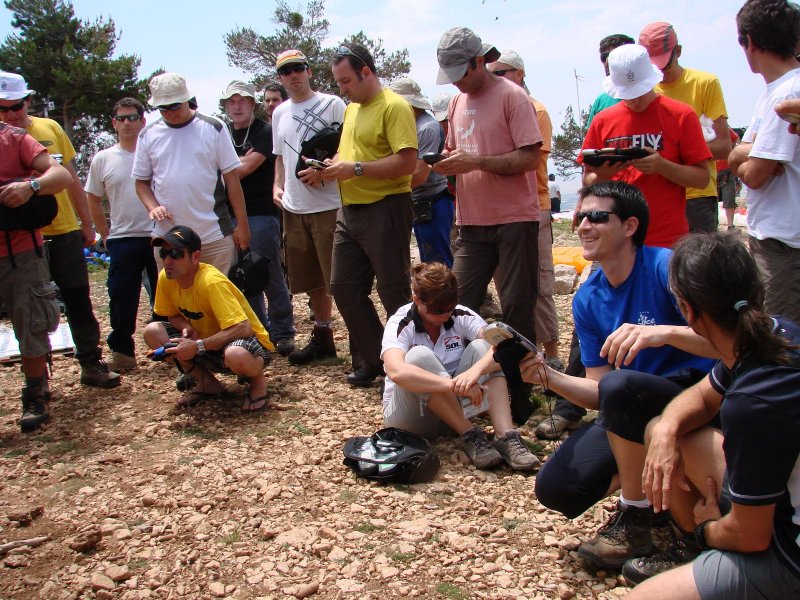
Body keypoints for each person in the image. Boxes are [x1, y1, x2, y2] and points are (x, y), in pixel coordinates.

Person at [520, 181, 715, 570]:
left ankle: (635, 514)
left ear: (630, 226)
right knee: (557, 488)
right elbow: (598, 389)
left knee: (621, 385)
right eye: (580, 216)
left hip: (699, 396)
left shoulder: (666, 268)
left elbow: (727, 343)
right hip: (631, 405)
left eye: (596, 216)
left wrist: (663, 333)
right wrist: (549, 378)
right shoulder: (587, 297)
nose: (583, 225)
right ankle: (653, 493)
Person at [623, 232, 800, 599]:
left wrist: (708, 528)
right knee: (660, 428)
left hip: (787, 554)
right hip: (780, 502)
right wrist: (667, 430)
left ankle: (703, 551)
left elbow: (751, 536)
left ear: (688, 311)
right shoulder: (777, 334)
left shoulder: (751, 402)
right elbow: (703, 397)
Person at [0, 72, 121, 388]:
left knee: (78, 297)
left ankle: (91, 362)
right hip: (22, 241)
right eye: (3, 109)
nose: (11, 114)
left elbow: (71, 178)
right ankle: (39, 380)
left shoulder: (49, 129)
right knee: (32, 307)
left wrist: (86, 223)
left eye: (16, 106)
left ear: (28, 101)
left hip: (63, 229)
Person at [433, 27, 542, 347]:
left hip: (514, 219)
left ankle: (522, 375)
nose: (456, 82)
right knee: (456, 302)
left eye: (460, 73)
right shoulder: (456, 102)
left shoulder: (513, 96)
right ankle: (466, 368)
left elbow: (530, 157)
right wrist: (444, 162)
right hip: (471, 220)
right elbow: (454, 150)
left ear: (479, 61)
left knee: (517, 304)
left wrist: (477, 162)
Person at [321, 44, 418, 387]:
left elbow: (407, 162)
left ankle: (411, 367)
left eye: (346, 81)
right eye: (338, 82)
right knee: (344, 288)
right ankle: (379, 359)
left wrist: (356, 169)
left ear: (366, 71)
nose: (342, 89)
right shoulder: (351, 110)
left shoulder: (394, 106)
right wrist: (330, 166)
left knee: (392, 290)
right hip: (349, 209)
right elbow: (348, 154)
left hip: (386, 206)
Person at [381, 262, 539, 471]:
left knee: (486, 347)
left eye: (450, 308)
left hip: (453, 412)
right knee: (419, 356)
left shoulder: (461, 315)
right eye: (437, 311)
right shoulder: (401, 322)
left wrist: (475, 372)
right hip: (412, 419)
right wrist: (454, 385)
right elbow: (396, 371)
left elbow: (507, 345)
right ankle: (470, 434)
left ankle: (506, 436)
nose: (445, 315)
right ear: (416, 300)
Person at [579, 44, 711, 248]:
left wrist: (662, 166)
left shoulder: (681, 115)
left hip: (667, 241)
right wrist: (603, 175)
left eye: (640, 91)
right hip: (615, 241)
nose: (635, 99)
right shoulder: (602, 121)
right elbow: (587, 179)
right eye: (628, 93)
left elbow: (702, 178)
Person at [142, 226, 275, 412]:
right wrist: (185, 327)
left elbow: (243, 328)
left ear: (196, 256)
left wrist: (197, 346)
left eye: (176, 254)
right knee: (152, 332)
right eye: (163, 253)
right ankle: (208, 384)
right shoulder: (166, 277)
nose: (168, 260)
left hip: (244, 344)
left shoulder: (211, 282)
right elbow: (171, 314)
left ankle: (258, 383)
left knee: (236, 355)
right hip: (206, 343)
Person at [133, 72, 249, 276]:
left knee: (217, 294)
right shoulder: (147, 135)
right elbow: (141, 183)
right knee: (174, 296)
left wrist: (242, 226)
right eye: (163, 108)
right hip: (168, 237)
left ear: (187, 99)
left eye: (175, 105)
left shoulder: (213, 127)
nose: (170, 112)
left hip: (214, 235)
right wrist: (153, 207)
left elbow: (232, 179)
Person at [271, 49, 345, 366]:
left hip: (329, 203)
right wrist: (277, 185)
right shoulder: (279, 113)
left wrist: (324, 172)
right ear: (280, 78)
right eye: (286, 71)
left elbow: (348, 145)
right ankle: (323, 336)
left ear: (309, 71)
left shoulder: (333, 104)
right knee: (312, 278)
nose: (293, 76)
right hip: (294, 206)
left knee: (339, 278)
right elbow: (279, 156)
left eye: (298, 68)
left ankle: (361, 343)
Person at [728, 0, 800, 325]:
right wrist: (745, 154)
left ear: (750, 41)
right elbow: (739, 158)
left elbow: (754, 175)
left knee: (780, 337)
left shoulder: (787, 92)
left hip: (784, 243)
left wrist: (743, 155)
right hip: (775, 237)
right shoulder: (774, 91)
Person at [488, 49, 561, 366]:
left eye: (500, 72)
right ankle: (523, 354)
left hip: (533, 206)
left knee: (540, 284)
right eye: (491, 73)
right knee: (507, 286)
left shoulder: (536, 110)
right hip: (498, 210)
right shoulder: (490, 111)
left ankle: (552, 356)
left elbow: (531, 161)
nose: (494, 79)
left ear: (519, 74)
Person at [0, 121, 72, 431]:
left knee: (32, 322)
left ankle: (36, 392)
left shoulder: (13, 138)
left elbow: (61, 176)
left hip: (21, 252)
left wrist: (29, 187)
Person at [220, 80, 295, 355]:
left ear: (252, 104)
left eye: (243, 101)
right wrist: (233, 164)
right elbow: (219, 169)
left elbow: (242, 170)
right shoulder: (222, 133)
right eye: (231, 102)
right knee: (242, 279)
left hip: (261, 215)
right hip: (228, 218)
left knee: (269, 273)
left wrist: (227, 166)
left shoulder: (265, 131)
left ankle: (283, 332)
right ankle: (259, 333)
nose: (237, 106)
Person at [85, 97, 157, 373]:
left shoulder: (154, 153)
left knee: (165, 295)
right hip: (123, 238)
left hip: (157, 234)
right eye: (121, 118)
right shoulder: (103, 158)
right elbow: (93, 198)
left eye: (132, 117)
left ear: (142, 121)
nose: (127, 123)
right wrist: (105, 234)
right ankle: (123, 352)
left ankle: (170, 348)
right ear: (114, 123)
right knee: (121, 295)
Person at [640, 22, 733, 233]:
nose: (659, 72)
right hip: (656, 196)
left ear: (679, 51)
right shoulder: (642, 93)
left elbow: (723, 146)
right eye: (651, 67)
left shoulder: (705, 83)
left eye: (664, 65)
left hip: (697, 196)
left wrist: (670, 157)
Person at [389, 77, 455, 267]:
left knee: (437, 264)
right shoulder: (409, 126)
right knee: (428, 263)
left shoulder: (427, 128)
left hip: (432, 202)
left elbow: (419, 174)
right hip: (419, 202)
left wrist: (384, 188)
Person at [585, 34, 635, 129]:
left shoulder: (651, 98)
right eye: (604, 57)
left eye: (613, 56)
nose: (607, 62)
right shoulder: (601, 101)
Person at [715, 128, 740, 230]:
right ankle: (714, 224)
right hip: (712, 170)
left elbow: (736, 140)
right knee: (711, 199)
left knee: (728, 198)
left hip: (727, 170)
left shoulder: (724, 129)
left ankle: (730, 225)